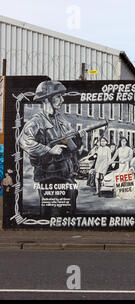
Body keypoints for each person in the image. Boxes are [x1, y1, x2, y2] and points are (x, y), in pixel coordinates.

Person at [18, 80, 85, 216]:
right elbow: (24, 141)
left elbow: (73, 147)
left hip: (66, 176)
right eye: (58, 96)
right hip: (48, 177)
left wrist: (78, 138)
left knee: (69, 214)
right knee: (50, 216)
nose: (62, 100)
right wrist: (48, 149)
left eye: (62, 96)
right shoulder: (37, 122)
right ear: (47, 99)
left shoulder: (62, 122)